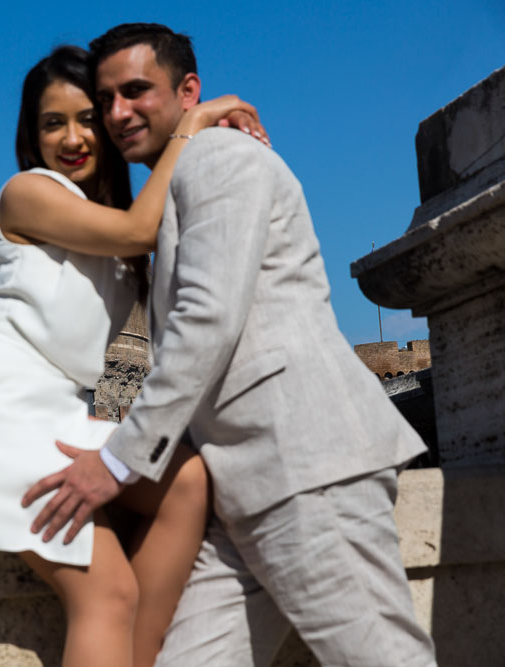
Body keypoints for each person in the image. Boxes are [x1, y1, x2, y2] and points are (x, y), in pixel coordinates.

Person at [23, 23, 438, 666]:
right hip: (239, 492)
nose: (117, 113)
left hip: (304, 469)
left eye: (136, 91)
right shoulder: (185, 170)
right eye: (106, 99)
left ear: (188, 90)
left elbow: (209, 316)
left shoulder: (218, 159)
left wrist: (115, 463)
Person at [0, 45, 265, 667]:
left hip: (55, 412)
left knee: (186, 482)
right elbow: (140, 229)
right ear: (30, 136)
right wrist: (189, 126)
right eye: (52, 123)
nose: (73, 137)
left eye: (87, 119)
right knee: (106, 594)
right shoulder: (28, 193)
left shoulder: (104, 217)